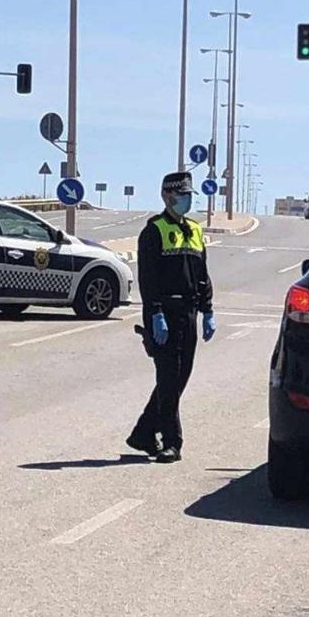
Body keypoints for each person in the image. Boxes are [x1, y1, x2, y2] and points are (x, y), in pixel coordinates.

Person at [127, 172, 215, 462]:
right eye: (182, 196)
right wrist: (154, 313)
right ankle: (172, 441)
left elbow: (201, 273)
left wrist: (208, 309)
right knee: (168, 379)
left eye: (190, 195)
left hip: (187, 312)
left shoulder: (194, 229)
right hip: (164, 312)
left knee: (180, 377)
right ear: (167, 197)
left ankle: (142, 433)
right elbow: (148, 278)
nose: (187, 200)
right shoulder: (154, 231)